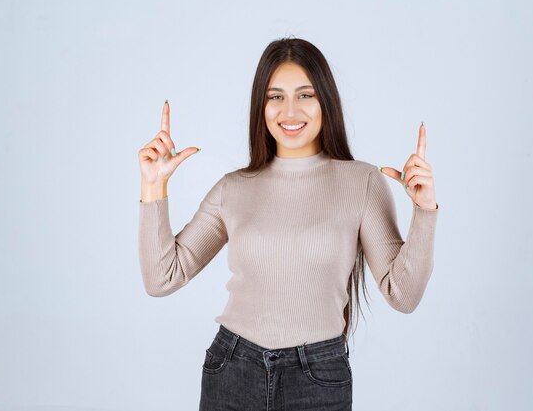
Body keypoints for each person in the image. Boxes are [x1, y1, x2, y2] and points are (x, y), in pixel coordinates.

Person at [137, 36, 439, 411]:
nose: (290, 110)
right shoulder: (233, 188)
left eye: (305, 95)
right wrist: (153, 186)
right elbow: (162, 277)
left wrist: (425, 211)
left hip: (318, 377)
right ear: (260, 106)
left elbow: (404, 295)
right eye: (275, 96)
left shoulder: (361, 183)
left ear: (326, 101)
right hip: (233, 370)